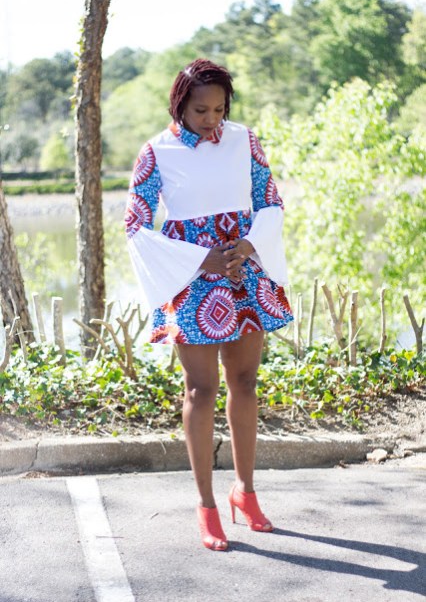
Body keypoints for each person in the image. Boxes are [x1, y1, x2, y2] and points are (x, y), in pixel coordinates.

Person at [125, 59, 293, 551]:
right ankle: (206, 506)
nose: (212, 119)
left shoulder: (245, 141)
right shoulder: (155, 152)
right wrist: (202, 260)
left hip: (243, 267)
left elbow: (270, 201)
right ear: (180, 104)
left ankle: (246, 492)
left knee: (246, 382)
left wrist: (249, 244)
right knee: (201, 390)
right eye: (201, 110)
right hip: (192, 276)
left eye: (220, 109)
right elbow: (136, 225)